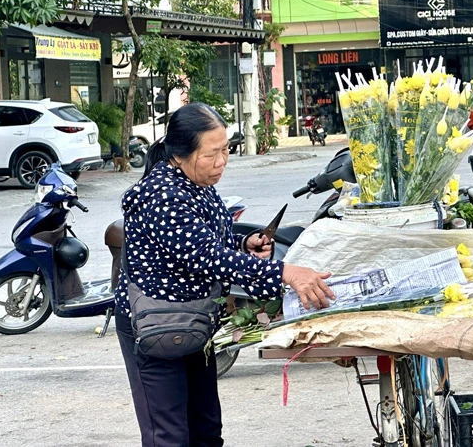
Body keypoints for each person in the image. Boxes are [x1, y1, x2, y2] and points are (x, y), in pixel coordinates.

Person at [115, 102, 335, 446]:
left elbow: (207, 238)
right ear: (181, 153)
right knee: (168, 436)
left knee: (206, 431)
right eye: (211, 154)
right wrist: (285, 273)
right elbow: (205, 256)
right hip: (156, 325)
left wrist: (244, 242)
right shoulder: (161, 194)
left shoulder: (197, 183)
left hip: (195, 321)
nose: (221, 162)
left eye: (225, 150)